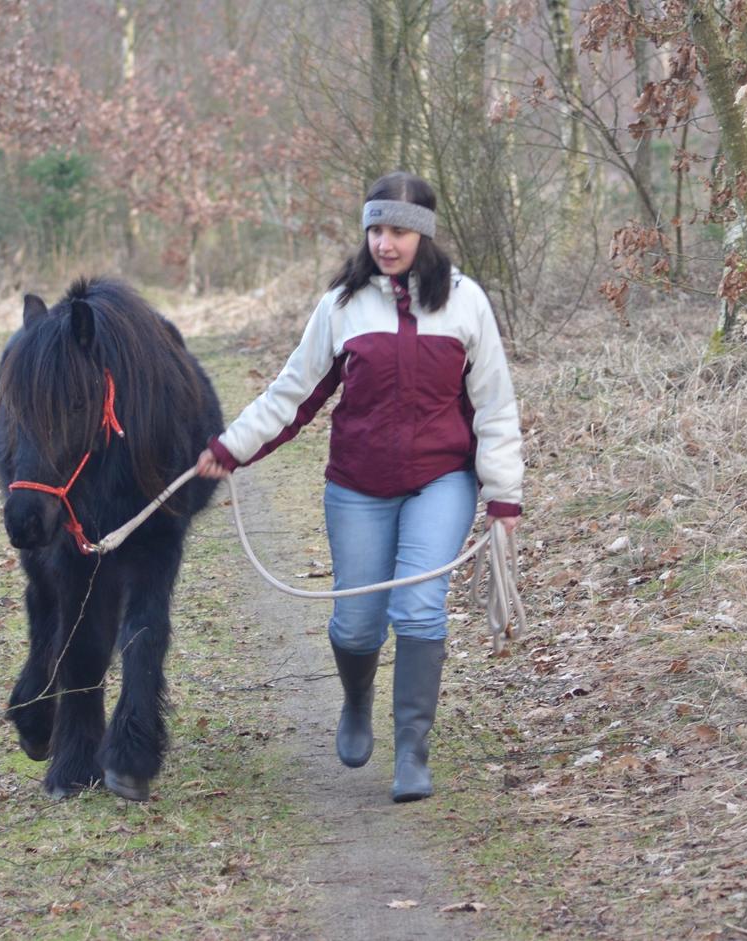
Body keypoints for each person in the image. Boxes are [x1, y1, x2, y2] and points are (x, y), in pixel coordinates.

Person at [196, 171, 523, 802]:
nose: (384, 242)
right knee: (354, 625)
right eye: (376, 228)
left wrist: (503, 497)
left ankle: (411, 752)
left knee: (419, 606)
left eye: (398, 230)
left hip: (441, 481)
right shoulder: (342, 306)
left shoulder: (465, 302)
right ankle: (356, 702)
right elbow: (293, 393)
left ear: (422, 235)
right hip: (358, 485)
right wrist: (230, 448)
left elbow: (495, 408)